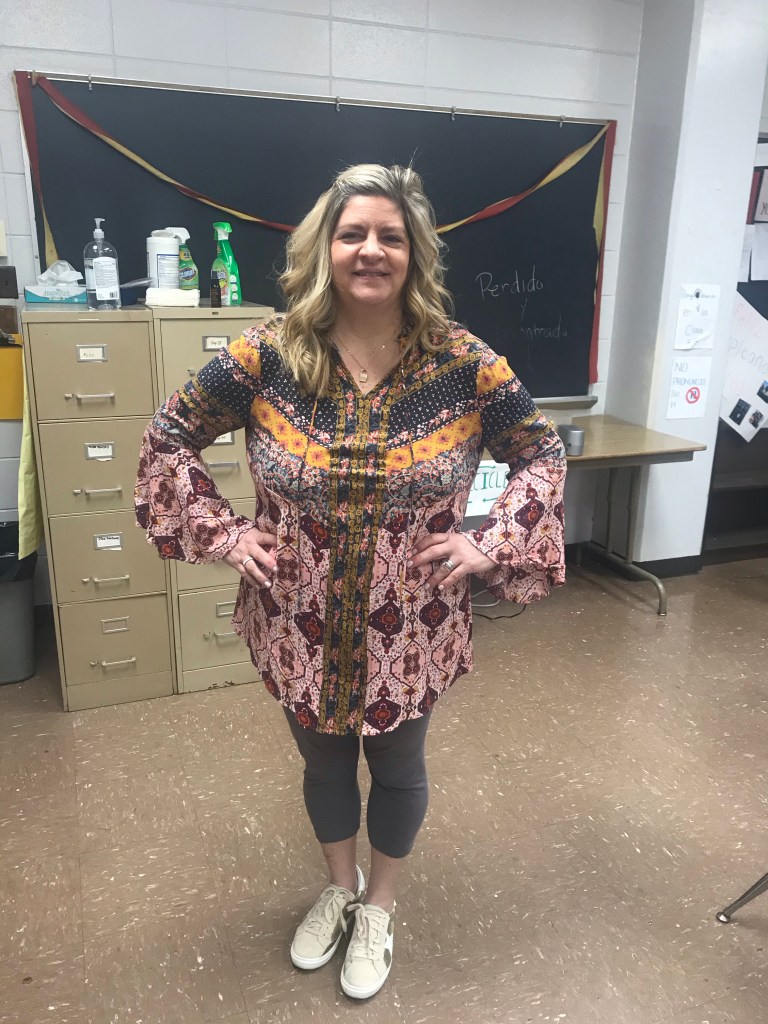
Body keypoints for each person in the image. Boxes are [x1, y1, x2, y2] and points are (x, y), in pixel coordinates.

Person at [135, 163, 566, 999]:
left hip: (413, 625)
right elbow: (169, 434)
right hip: (297, 618)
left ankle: (381, 906)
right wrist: (225, 533)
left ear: (415, 254)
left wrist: (493, 540)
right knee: (324, 764)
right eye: (353, 233)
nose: (371, 249)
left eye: (390, 236)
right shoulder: (268, 354)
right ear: (324, 248)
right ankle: (340, 887)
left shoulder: (463, 363)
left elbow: (541, 454)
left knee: (398, 767)